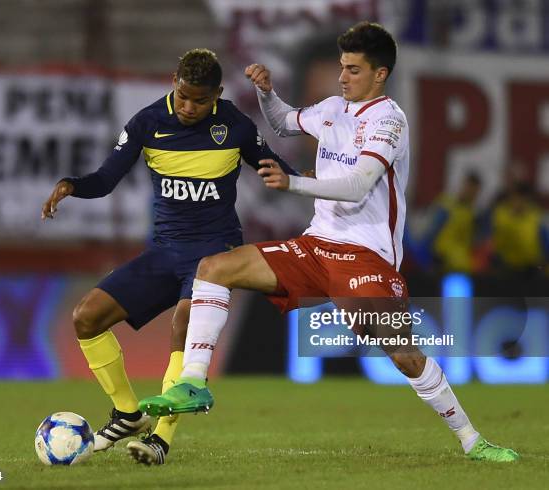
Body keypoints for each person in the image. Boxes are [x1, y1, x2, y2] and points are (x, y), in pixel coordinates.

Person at [140, 22, 519, 463]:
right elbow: (283, 123)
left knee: (402, 353)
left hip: (365, 256)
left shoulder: (389, 121)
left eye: (354, 70)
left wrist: (294, 184)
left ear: (380, 75)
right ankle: (195, 382)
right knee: (213, 269)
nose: (343, 77)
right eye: (342, 67)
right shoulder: (333, 108)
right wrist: (266, 92)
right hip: (317, 246)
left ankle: (473, 440)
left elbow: (359, 185)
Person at [41, 48, 298, 466]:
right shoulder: (147, 122)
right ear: (173, 81)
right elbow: (107, 179)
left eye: (200, 100)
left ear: (216, 94)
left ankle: (160, 439)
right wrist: (72, 185)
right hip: (163, 252)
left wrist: (317, 188)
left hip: (215, 255)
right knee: (85, 317)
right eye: (183, 96)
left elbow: (276, 167)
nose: (189, 107)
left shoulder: (233, 124)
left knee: (184, 322)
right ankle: (127, 412)